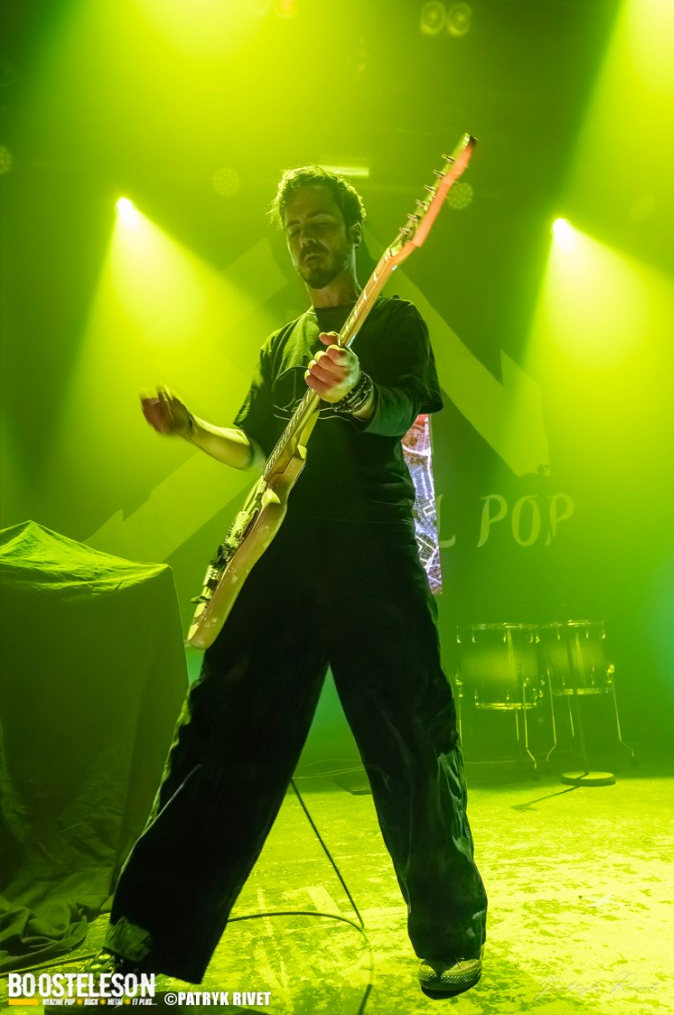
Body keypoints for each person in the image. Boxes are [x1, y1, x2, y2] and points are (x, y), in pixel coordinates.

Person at [87, 166, 487, 997]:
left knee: (414, 741)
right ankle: (146, 938)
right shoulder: (282, 344)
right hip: (284, 556)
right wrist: (190, 428)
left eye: (320, 221)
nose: (307, 236)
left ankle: (451, 935)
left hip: (375, 556)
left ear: (354, 229)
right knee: (217, 733)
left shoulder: (395, 322)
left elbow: (400, 411)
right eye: (295, 226)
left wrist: (357, 388)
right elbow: (254, 449)